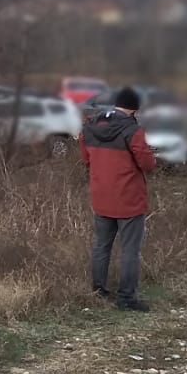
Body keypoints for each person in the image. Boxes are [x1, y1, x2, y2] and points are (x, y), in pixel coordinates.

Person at [79, 85, 157, 311]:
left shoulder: (90, 127)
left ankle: (99, 291)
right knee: (130, 250)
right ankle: (127, 298)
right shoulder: (133, 131)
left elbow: (86, 159)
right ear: (134, 109)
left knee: (101, 246)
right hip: (129, 200)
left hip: (101, 197)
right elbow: (148, 164)